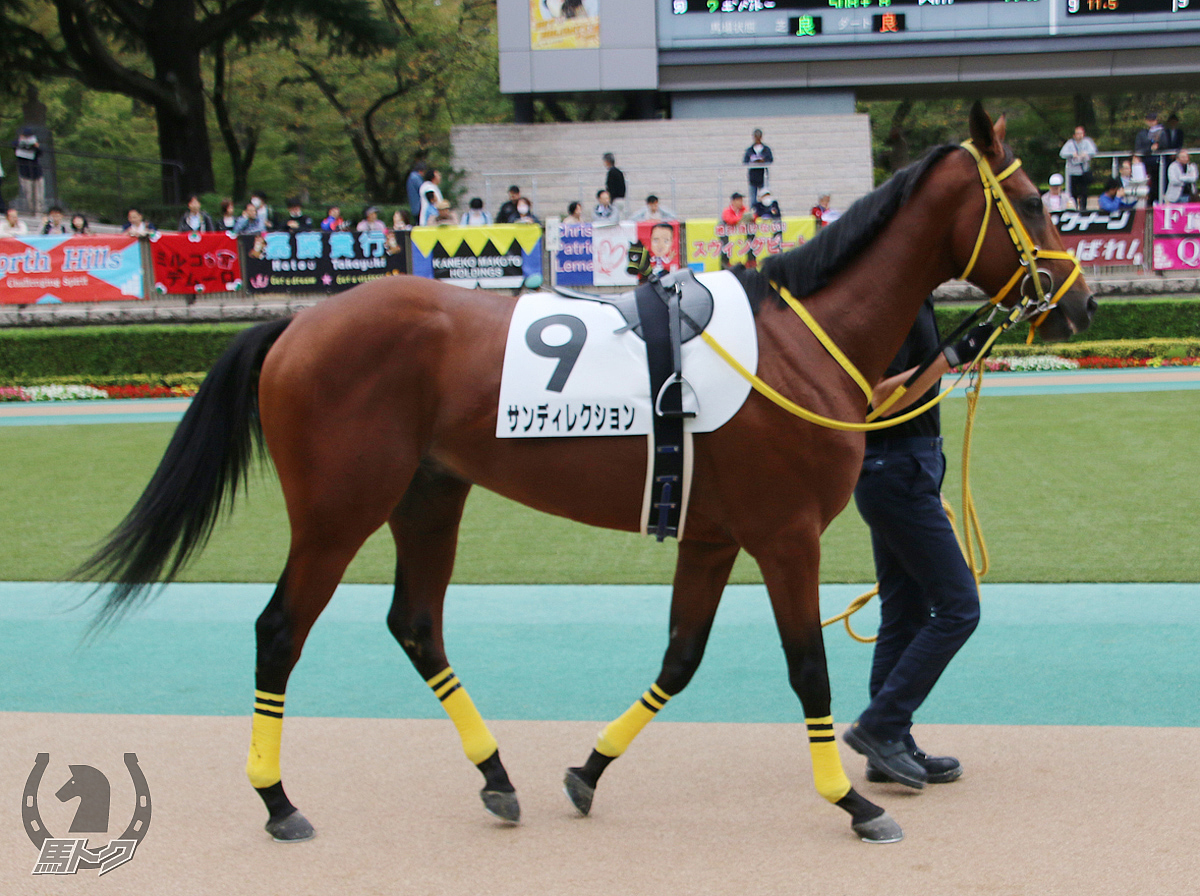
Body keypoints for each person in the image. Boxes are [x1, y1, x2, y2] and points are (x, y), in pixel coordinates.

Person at [842, 296, 995, 790]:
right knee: (959, 607)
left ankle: (888, 745)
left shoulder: (915, 301)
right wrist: (948, 360)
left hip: (905, 470)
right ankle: (880, 727)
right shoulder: (892, 307)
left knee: (904, 613)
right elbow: (873, 398)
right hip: (897, 471)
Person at [1059, 126, 1097, 211]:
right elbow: (1062, 154)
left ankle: (1084, 208)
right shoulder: (1070, 143)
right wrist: (1072, 154)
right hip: (1073, 172)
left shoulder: (1087, 142)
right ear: (1074, 135)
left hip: (1083, 171)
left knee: (1084, 191)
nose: (1079, 135)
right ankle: (1074, 207)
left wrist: (1085, 154)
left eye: (1081, 133)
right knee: (1073, 192)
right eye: (1077, 133)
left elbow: (1093, 151)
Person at [1134, 113, 1166, 202]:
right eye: (1149, 120)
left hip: (1160, 162)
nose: (1151, 122)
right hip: (1147, 164)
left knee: (1160, 184)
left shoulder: (1163, 132)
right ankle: (1149, 202)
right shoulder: (1142, 134)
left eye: (1153, 120)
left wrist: (1159, 144)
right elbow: (1138, 148)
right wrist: (1150, 148)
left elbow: (1167, 146)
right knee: (1149, 186)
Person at [14, 127, 44, 215]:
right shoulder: (18, 144)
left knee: (39, 196)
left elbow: (40, 153)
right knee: (29, 196)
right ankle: (31, 212)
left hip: (37, 173)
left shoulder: (35, 146)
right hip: (25, 174)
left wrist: (35, 146)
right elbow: (14, 146)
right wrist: (21, 142)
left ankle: (38, 213)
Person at [743, 128, 773, 207]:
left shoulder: (765, 149)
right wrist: (753, 161)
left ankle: (765, 211)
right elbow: (745, 161)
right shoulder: (750, 150)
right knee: (752, 199)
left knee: (765, 197)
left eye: (758, 136)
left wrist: (763, 160)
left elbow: (770, 159)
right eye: (756, 136)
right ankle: (753, 213)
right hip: (753, 177)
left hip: (763, 176)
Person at [602, 153, 626, 218]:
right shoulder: (619, 172)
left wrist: (610, 199)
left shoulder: (611, 173)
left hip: (615, 200)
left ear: (607, 162)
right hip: (621, 199)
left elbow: (611, 187)